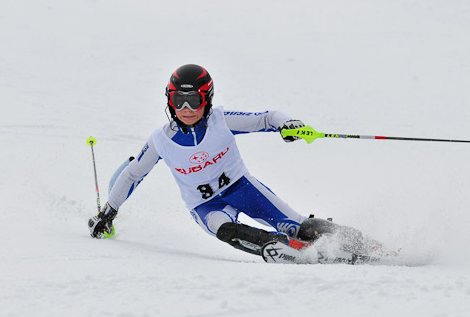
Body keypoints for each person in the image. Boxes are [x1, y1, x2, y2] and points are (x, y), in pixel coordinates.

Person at [88, 64, 363, 259]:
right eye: (178, 100)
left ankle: (364, 244)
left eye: (193, 100)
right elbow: (132, 174)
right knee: (225, 229)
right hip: (205, 205)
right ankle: (286, 248)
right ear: (169, 101)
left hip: (242, 188)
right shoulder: (161, 139)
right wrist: (108, 213)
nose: (186, 109)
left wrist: (288, 124)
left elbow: (267, 118)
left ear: (206, 99)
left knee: (298, 225)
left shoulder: (221, 120)